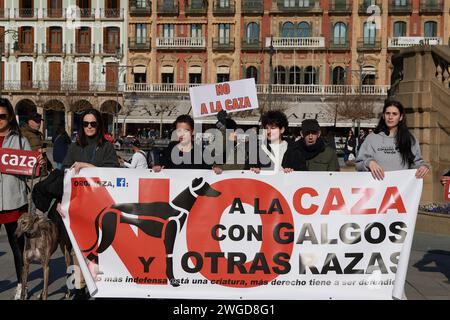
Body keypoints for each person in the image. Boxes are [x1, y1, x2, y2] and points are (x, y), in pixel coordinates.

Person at [61, 108, 119, 299]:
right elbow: (65, 174)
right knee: (78, 248)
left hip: (102, 204)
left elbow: (114, 172)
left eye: (93, 123)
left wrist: (87, 166)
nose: (89, 127)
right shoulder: (74, 146)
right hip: (78, 205)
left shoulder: (107, 147)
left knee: (100, 247)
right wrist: (62, 203)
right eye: (85, 123)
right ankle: (79, 287)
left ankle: (100, 285)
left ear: (99, 125)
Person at [0, 98, 32, 299]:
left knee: (16, 246)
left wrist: (38, 162)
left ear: (10, 117)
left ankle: (22, 285)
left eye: (2, 116)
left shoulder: (20, 140)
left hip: (13, 200)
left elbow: (31, 171)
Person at [355, 99, 429, 180]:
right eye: (387, 113)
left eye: (394, 114)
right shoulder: (371, 138)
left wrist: (423, 167)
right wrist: (369, 163)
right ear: (383, 116)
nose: (390, 117)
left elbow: (416, 163)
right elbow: (358, 164)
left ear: (400, 117)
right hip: (377, 188)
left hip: (401, 189)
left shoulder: (410, 139)